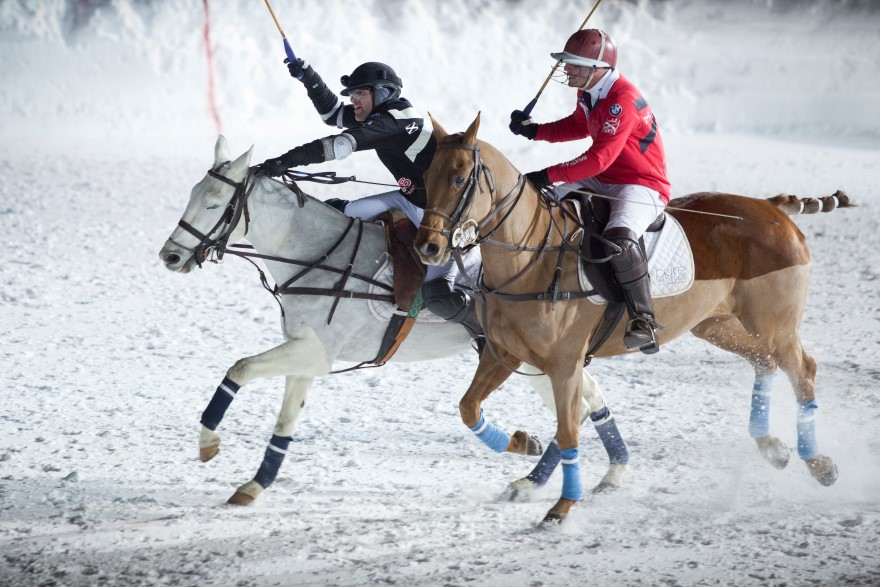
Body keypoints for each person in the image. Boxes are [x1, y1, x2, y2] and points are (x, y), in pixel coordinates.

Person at [256, 58, 483, 346]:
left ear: (382, 93)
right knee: (336, 213)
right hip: (408, 201)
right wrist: (308, 77)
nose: (353, 101)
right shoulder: (383, 115)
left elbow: (338, 144)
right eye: (353, 95)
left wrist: (282, 161)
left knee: (438, 296)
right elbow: (334, 115)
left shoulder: (395, 121)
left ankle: (486, 332)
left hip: (443, 219)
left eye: (359, 94)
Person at [508, 29, 671, 354]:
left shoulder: (620, 101)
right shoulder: (590, 91)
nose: (567, 69)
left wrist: (549, 174)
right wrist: (536, 131)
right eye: (567, 63)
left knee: (620, 237)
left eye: (575, 65)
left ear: (600, 67)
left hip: (642, 183)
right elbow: (580, 125)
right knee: (538, 200)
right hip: (604, 175)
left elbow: (598, 158)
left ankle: (644, 319)